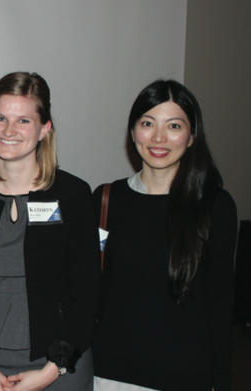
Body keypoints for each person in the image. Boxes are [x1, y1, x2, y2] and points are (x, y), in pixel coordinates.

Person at [0, 72, 101, 391]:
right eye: (0, 118)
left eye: (24, 120)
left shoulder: (73, 194)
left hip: (59, 367)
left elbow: (87, 293)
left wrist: (51, 370)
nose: (9, 130)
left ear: (45, 128)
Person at [92, 80, 238, 391]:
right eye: (148, 123)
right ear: (133, 132)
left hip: (185, 377)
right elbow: (93, 290)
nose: (159, 137)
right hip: (111, 375)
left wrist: (221, 380)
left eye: (174, 126)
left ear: (192, 136)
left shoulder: (216, 206)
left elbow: (220, 304)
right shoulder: (105, 199)